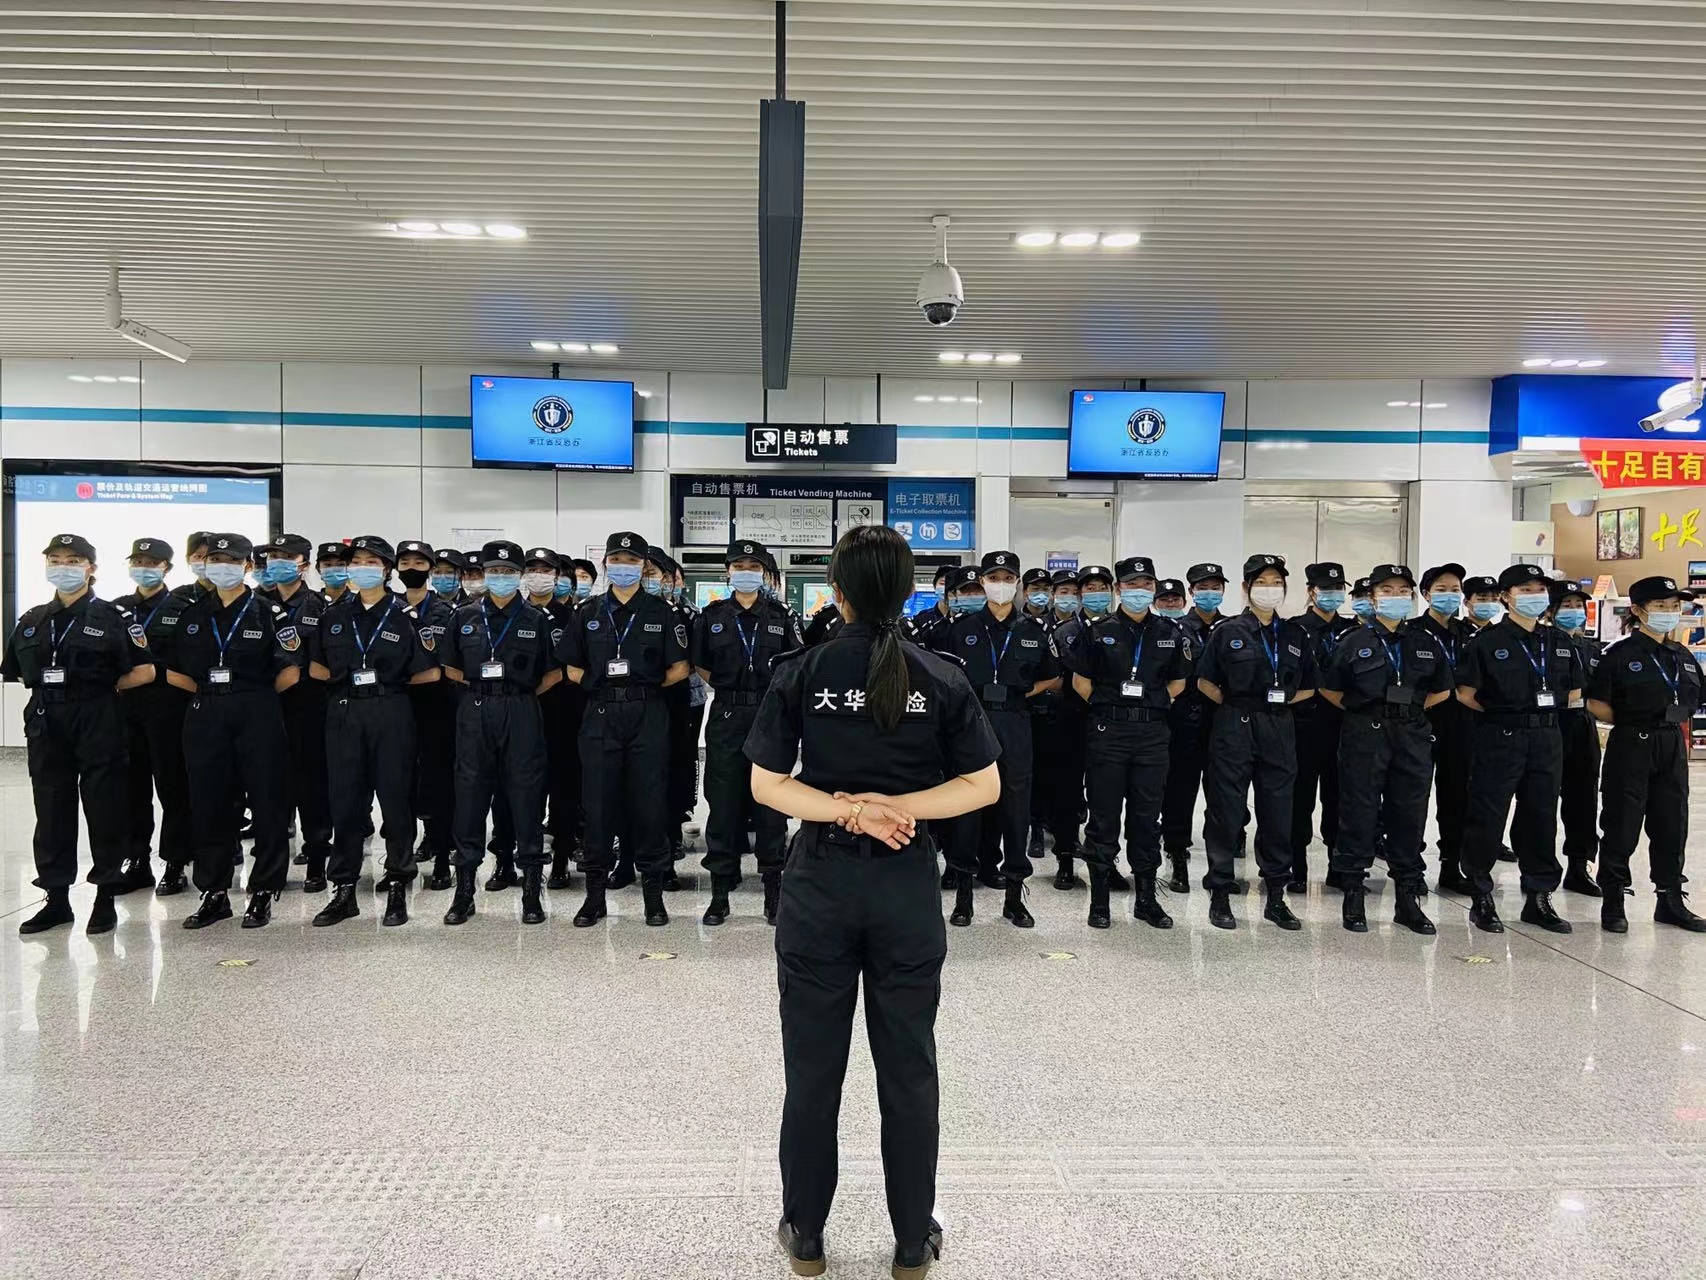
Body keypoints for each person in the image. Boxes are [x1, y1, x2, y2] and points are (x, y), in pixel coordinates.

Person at [745, 523, 999, 1280]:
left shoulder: (803, 670)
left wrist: (851, 810)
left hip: (820, 886)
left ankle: (807, 1233)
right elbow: (983, 784)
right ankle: (912, 1240)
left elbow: (766, 783)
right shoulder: (941, 676)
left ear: (839, 593)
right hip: (904, 886)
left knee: (812, 1069)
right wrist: (897, 810)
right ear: (908, 592)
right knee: (910, 1070)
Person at [3, 534, 156, 935]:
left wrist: (98, 689)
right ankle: (56, 899)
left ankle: (105, 896)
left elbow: (145, 671)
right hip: (47, 719)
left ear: (91, 568)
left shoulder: (114, 617)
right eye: (55, 560)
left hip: (97, 715)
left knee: (104, 805)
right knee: (51, 807)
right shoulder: (32, 620)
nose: (63, 567)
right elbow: (15, 671)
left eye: (73, 561)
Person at [155, 533, 304, 930]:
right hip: (206, 712)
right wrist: (214, 694)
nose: (222, 567)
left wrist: (250, 696)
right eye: (215, 559)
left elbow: (290, 670)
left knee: (268, 802)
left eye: (232, 560)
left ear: (248, 567)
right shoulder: (191, 613)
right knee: (209, 803)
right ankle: (214, 892)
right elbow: (174, 672)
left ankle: (264, 890)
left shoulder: (269, 612)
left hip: (257, 711)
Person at [559, 532, 691, 928]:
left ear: (643, 567)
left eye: (631, 561)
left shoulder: (662, 612)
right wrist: (601, 685)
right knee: (598, 805)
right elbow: (571, 667)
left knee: (650, 805)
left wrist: (641, 688)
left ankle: (653, 897)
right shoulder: (587, 611)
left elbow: (680, 668)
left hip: (647, 715)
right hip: (600, 714)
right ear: (606, 564)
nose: (623, 566)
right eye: (616, 559)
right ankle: (594, 897)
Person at [307, 536, 440, 927]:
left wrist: (387, 686)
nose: (361, 567)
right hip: (344, 712)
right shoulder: (333, 615)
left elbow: (429, 672)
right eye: (356, 561)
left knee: (396, 800)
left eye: (371, 561)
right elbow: (316, 667)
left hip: (390, 712)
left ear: (386, 570)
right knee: (346, 802)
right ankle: (344, 890)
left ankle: (397, 883)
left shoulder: (406, 615)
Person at [1319, 564, 1452, 935]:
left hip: (1411, 734)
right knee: (1358, 812)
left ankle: (1407, 900)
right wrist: (1369, 711)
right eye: (1387, 591)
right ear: (1373, 597)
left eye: (1402, 591)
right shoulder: (1352, 640)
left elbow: (1442, 689)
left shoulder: (1425, 641)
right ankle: (1353, 894)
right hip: (1366, 733)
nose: (1395, 597)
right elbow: (1331, 689)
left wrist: (1406, 711)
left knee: (1409, 813)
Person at [436, 540, 561, 926]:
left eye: (508, 572)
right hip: (475, 709)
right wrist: (485, 689)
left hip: (520, 710)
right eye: (494, 571)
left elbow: (552, 672)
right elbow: (450, 666)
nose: (501, 577)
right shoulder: (465, 616)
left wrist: (516, 694)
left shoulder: (536, 619)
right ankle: (464, 891)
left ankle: (531, 889)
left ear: (520, 575)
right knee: (470, 797)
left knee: (527, 798)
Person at [1455, 563, 1583, 935]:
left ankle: (1539, 896)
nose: (1534, 596)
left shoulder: (1559, 641)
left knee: (1540, 817)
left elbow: (1575, 691)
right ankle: (1481, 895)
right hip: (1501, 736)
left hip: (1546, 738)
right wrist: (1506, 714)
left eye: (1539, 589)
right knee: (1488, 815)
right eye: (1525, 590)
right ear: (1506, 597)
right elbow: (1466, 694)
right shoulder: (1486, 641)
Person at [1062, 554, 1188, 930]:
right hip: (1109, 733)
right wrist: (1113, 709)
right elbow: (1081, 682)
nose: (1139, 590)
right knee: (1103, 817)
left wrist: (1145, 707)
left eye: (1146, 584)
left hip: (1152, 735)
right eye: (1132, 584)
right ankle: (1100, 900)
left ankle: (1146, 899)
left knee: (1147, 818)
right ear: (1119, 589)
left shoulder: (1169, 632)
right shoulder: (1097, 631)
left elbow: (1178, 682)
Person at [932, 550, 1057, 929]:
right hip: (973, 722)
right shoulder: (962, 628)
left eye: (1007, 578)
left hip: (1015, 722)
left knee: (1015, 809)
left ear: (1016, 583)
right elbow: (943, 675)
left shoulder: (1033, 630)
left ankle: (1014, 898)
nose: (1000, 585)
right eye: (993, 578)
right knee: (967, 808)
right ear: (983, 582)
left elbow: (1051, 675)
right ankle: (964, 898)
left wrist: (1019, 694)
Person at [1194, 554, 1315, 931]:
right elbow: (1205, 681)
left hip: (1278, 726)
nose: (1270, 589)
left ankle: (1276, 896)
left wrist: (1276, 704)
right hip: (1235, 724)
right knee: (1226, 810)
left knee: (1278, 811)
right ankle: (1220, 891)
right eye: (1262, 582)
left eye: (1277, 582)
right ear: (1246, 588)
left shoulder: (1295, 635)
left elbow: (1310, 685)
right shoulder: (1227, 631)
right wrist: (1237, 704)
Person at [691, 538, 803, 925]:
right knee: (723, 803)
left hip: (770, 714)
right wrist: (732, 690)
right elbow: (702, 664)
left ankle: (773, 890)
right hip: (726, 714)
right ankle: (720, 894)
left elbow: (794, 662)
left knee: (772, 805)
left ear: (765, 574)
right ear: (727, 572)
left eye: (754, 567)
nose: (746, 573)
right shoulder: (712, 616)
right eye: (739, 567)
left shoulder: (781, 616)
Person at [1587, 575, 1706, 933]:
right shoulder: (1619, 654)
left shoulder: (1682, 655)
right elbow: (1596, 702)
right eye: (1660, 606)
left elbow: (1695, 698)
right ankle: (1614, 899)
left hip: (1672, 744)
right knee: (1621, 823)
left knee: (1672, 823)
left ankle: (1670, 899)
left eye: (1675, 606)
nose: (1670, 612)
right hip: (1632, 743)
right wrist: (1632, 722)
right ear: (1638, 611)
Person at [112, 536, 191, 896]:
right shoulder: (116, 609)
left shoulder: (182, 607)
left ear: (166, 568)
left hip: (168, 708)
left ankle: (175, 863)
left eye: (151, 563)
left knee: (173, 788)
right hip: (125, 709)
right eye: (137, 562)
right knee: (132, 789)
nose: (143, 568)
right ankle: (137, 861)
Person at [258, 534, 334, 888]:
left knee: (312, 786)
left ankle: (317, 856)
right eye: (273, 556)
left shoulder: (319, 606)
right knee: (267, 788)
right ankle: (270, 865)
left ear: (303, 564)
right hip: (261, 708)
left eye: (286, 557)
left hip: (307, 708)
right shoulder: (254, 604)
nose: (277, 562)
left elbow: (322, 662)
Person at [1160, 561, 1231, 895]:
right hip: (1183, 722)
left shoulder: (1233, 629)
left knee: (1223, 794)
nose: (1209, 593)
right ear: (1191, 592)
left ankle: (1222, 863)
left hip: (1225, 722)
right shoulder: (1175, 629)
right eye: (1203, 587)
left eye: (1216, 587)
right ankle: (1177, 853)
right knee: (1180, 791)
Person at [1411, 563, 1476, 894]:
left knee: (1457, 798)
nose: (1449, 595)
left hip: (1461, 725)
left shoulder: (1469, 634)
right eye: (1441, 589)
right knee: (1413, 798)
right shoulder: (1411, 632)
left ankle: (1452, 866)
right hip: (1419, 723)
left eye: (1455, 590)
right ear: (1426, 594)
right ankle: (1411, 867)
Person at [1289, 562, 1354, 892]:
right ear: (1311, 592)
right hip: (1303, 725)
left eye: (1338, 588)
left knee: (1339, 797)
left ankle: (1337, 864)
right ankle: (1296, 865)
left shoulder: (1354, 630)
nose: (1333, 594)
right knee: (1299, 798)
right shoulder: (1294, 629)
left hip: (1344, 725)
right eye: (1325, 589)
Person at [398, 542, 460, 889]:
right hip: (396, 706)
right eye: (405, 562)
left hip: (438, 707)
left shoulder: (446, 612)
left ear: (430, 569)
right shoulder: (390, 608)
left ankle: (442, 853)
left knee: (439, 782)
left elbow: (452, 662)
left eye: (419, 562)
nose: (412, 567)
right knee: (399, 783)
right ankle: (401, 857)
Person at [522, 546, 581, 888]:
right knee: (522, 789)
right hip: (519, 715)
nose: (539, 576)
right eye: (533, 569)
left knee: (563, 789)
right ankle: (520, 859)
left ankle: (561, 857)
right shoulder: (515, 613)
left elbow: (572, 666)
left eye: (546, 571)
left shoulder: (571, 617)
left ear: (558, 577)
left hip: (563, 715)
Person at [1550, 581, 1605, 896]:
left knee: (1583, 798)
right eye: (1566, 606)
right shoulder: (1542, 644)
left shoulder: (1591, 648)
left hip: (1583, 727)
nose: (1574, 611)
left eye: (1578, 606)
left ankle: (1579, 865)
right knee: (1540, 800)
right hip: (1549, 725)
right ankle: (1540, 869)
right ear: (1552, 611)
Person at [905, 565, 955, 648]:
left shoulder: (966, 620)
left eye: (952, 584)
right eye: (942, 583)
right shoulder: (921, 619)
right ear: (935, 586)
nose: (946, 588)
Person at [316, 541, 351, 605]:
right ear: (318, 569)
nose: (334, 569)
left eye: (340, 564)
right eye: (328, 565)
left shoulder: (360, 603)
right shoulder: (308, 603)